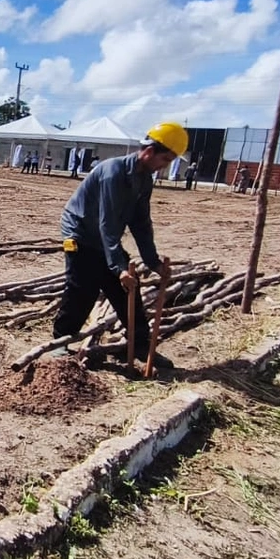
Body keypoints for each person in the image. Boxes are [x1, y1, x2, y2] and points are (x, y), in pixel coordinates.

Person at [52, 122, 187, 373]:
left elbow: (141, 222)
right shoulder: (113, 172)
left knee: (127, 291)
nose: (165, 166)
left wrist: (152, 261)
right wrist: (118, 267)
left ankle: (140, 346)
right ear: (149, 151)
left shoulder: (144, 180)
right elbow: (109, 222)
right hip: (80, 233)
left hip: (104, 237)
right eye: (164, 159)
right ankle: (60, 341)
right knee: (83, 287)